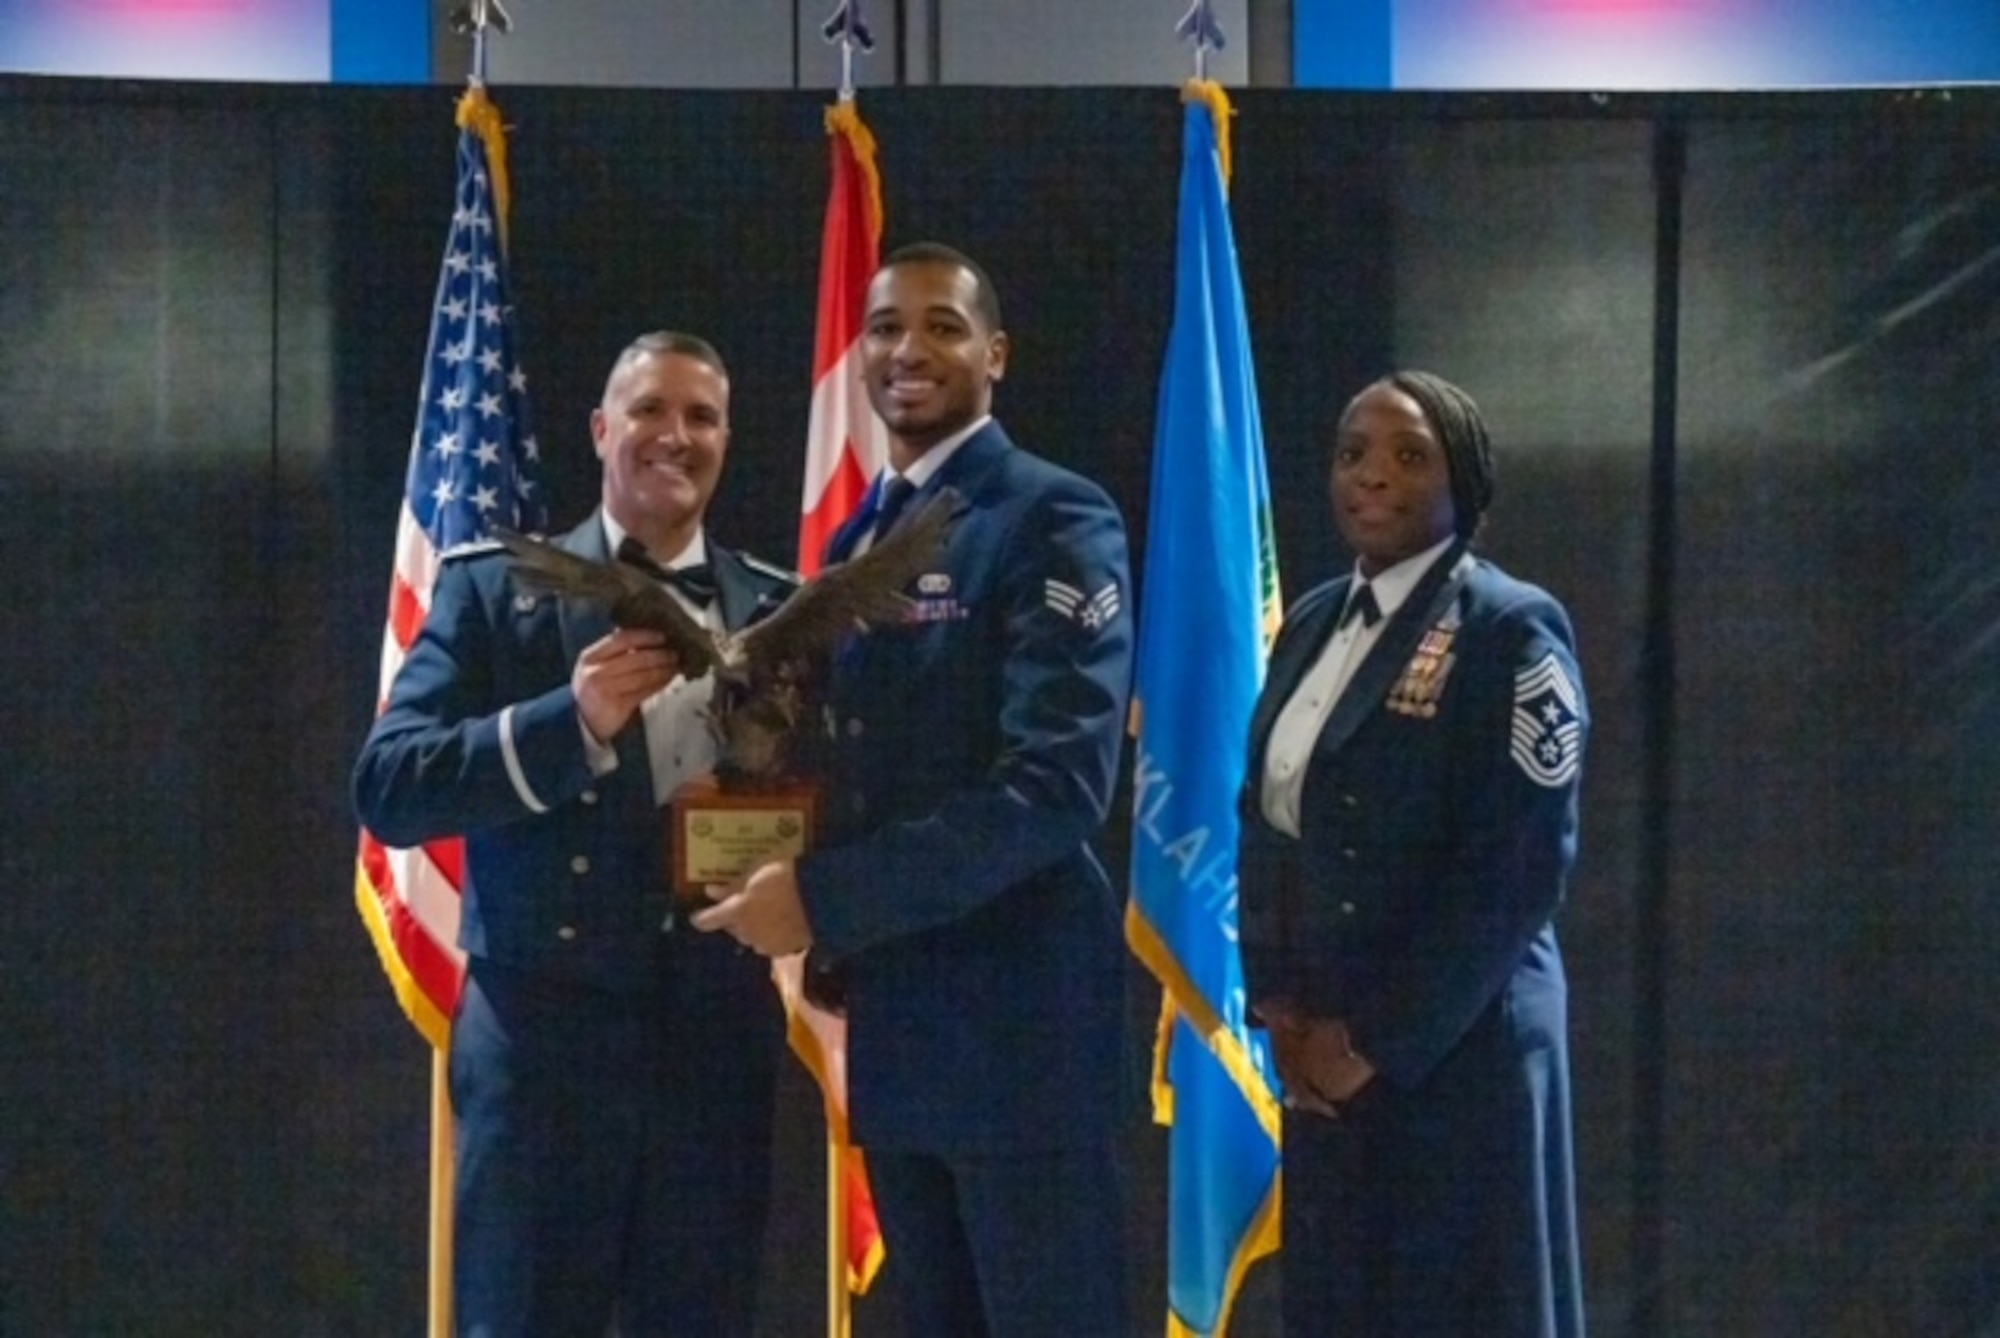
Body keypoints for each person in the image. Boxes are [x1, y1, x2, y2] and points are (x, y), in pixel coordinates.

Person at [692, 242, 1136, 1336]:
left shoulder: (1050, 518)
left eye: (941, 325)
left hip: (1018, 1039)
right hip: (899, 1031)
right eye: (884, 327)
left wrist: (826, 901)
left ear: (996, 352)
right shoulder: (859, 539)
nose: (906, 350)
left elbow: (1056, 787)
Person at [352, 331, 797, 1337]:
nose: (673, 436)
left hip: (711, 1049)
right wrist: (571, 720)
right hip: (544, 1047)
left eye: (701, 417)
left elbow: (829, 802)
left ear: (726, 439)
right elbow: (387, 786)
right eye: (649, 410)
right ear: (601, 430)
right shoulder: (491, 587)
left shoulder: (774, 607)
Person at [1237, 370, 1588, 1336]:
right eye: (1353, 452)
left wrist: (1373, 1042)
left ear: (1461, 478)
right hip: (1321, 1048)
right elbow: (1265, 817)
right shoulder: (1309, 622)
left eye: (1408, 455)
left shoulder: (1511, 629)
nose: (1372, 475)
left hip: (1455, 1047)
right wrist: (1276, 1003)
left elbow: (1518, 872)